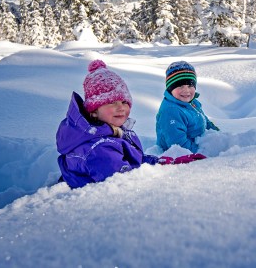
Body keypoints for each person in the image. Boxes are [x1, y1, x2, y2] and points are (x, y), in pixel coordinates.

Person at [56, 60, 203, 189]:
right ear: (93, 110)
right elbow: (124, 183)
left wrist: (167, 163)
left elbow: (136, 161)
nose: (121, 108)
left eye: (124, 102)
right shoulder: (99, 149)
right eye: (112, 102)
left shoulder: (114, 132)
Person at [156, 61, 219, 153]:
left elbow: (205, 121)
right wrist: (202, 151)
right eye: (180, 86)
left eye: (190, 85)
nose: (186, 91)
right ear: (170, 88)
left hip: (196, 146)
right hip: (181, 158)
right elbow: (178, 144)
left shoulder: (192, 103)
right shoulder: (171, 111)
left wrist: (218, 134)